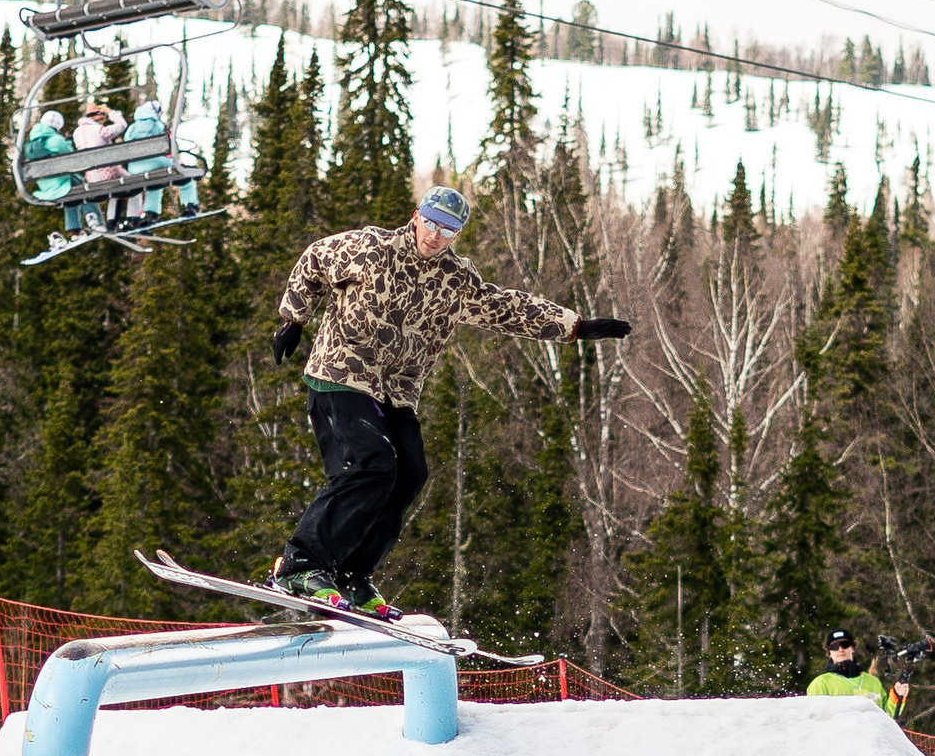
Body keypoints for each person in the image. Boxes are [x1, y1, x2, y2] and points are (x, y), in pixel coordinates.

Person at [269, 184, 632, 616]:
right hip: (340, 376)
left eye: (450, 229)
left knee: (410, 475)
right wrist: (294, 318)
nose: (437, 235)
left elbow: (505, 307)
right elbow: (314, 259)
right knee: (371, 466)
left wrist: (575, 326)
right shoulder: (369, 248)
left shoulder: (455, 279)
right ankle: (300, 564)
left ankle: (351, 573)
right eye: (433, 222)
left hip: (396, 391)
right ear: (417, 215)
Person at [121, 97, 202, 220]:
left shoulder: (131, 129)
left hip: (134, 168)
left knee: (155, 183)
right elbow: (169, 146)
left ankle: (150, 213)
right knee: (185, 174)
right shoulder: (158, 125)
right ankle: (190, 205)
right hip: (156, 163)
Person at [806, 630, 908, 717]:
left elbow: (888, 716)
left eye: (845, 644)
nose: (840, 649)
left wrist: (897, 695)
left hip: (872, 739)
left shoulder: (873, 682)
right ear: (829, 652)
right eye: (834, 646)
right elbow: (815, 720)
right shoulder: (821, 683)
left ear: (852, 647)